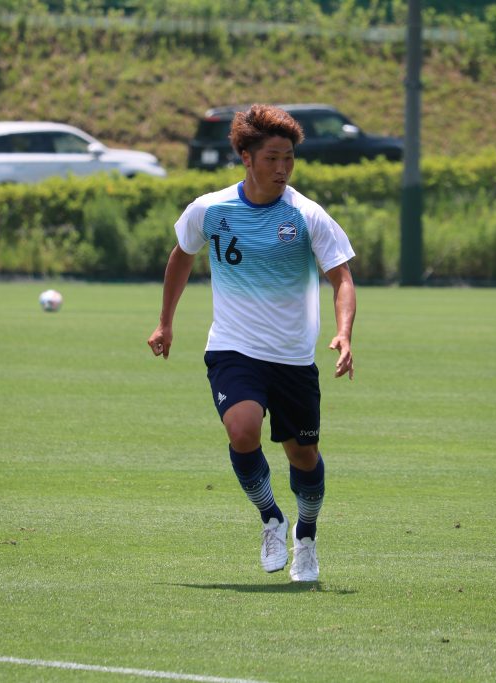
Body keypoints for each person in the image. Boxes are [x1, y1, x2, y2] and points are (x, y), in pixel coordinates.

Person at [147, 104, 357, 582]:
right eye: (271, 159)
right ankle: (270, 519)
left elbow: (341, 277)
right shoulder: (210, 209)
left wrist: (343, 332)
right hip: (233, 348)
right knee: (242, 431)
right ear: (246, 157)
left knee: (302, 456)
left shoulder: (306, 214)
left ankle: (306, 535)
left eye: (289, 159)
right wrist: (165, 323)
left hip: (293, 358)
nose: (282, 168)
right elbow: (181, 256)